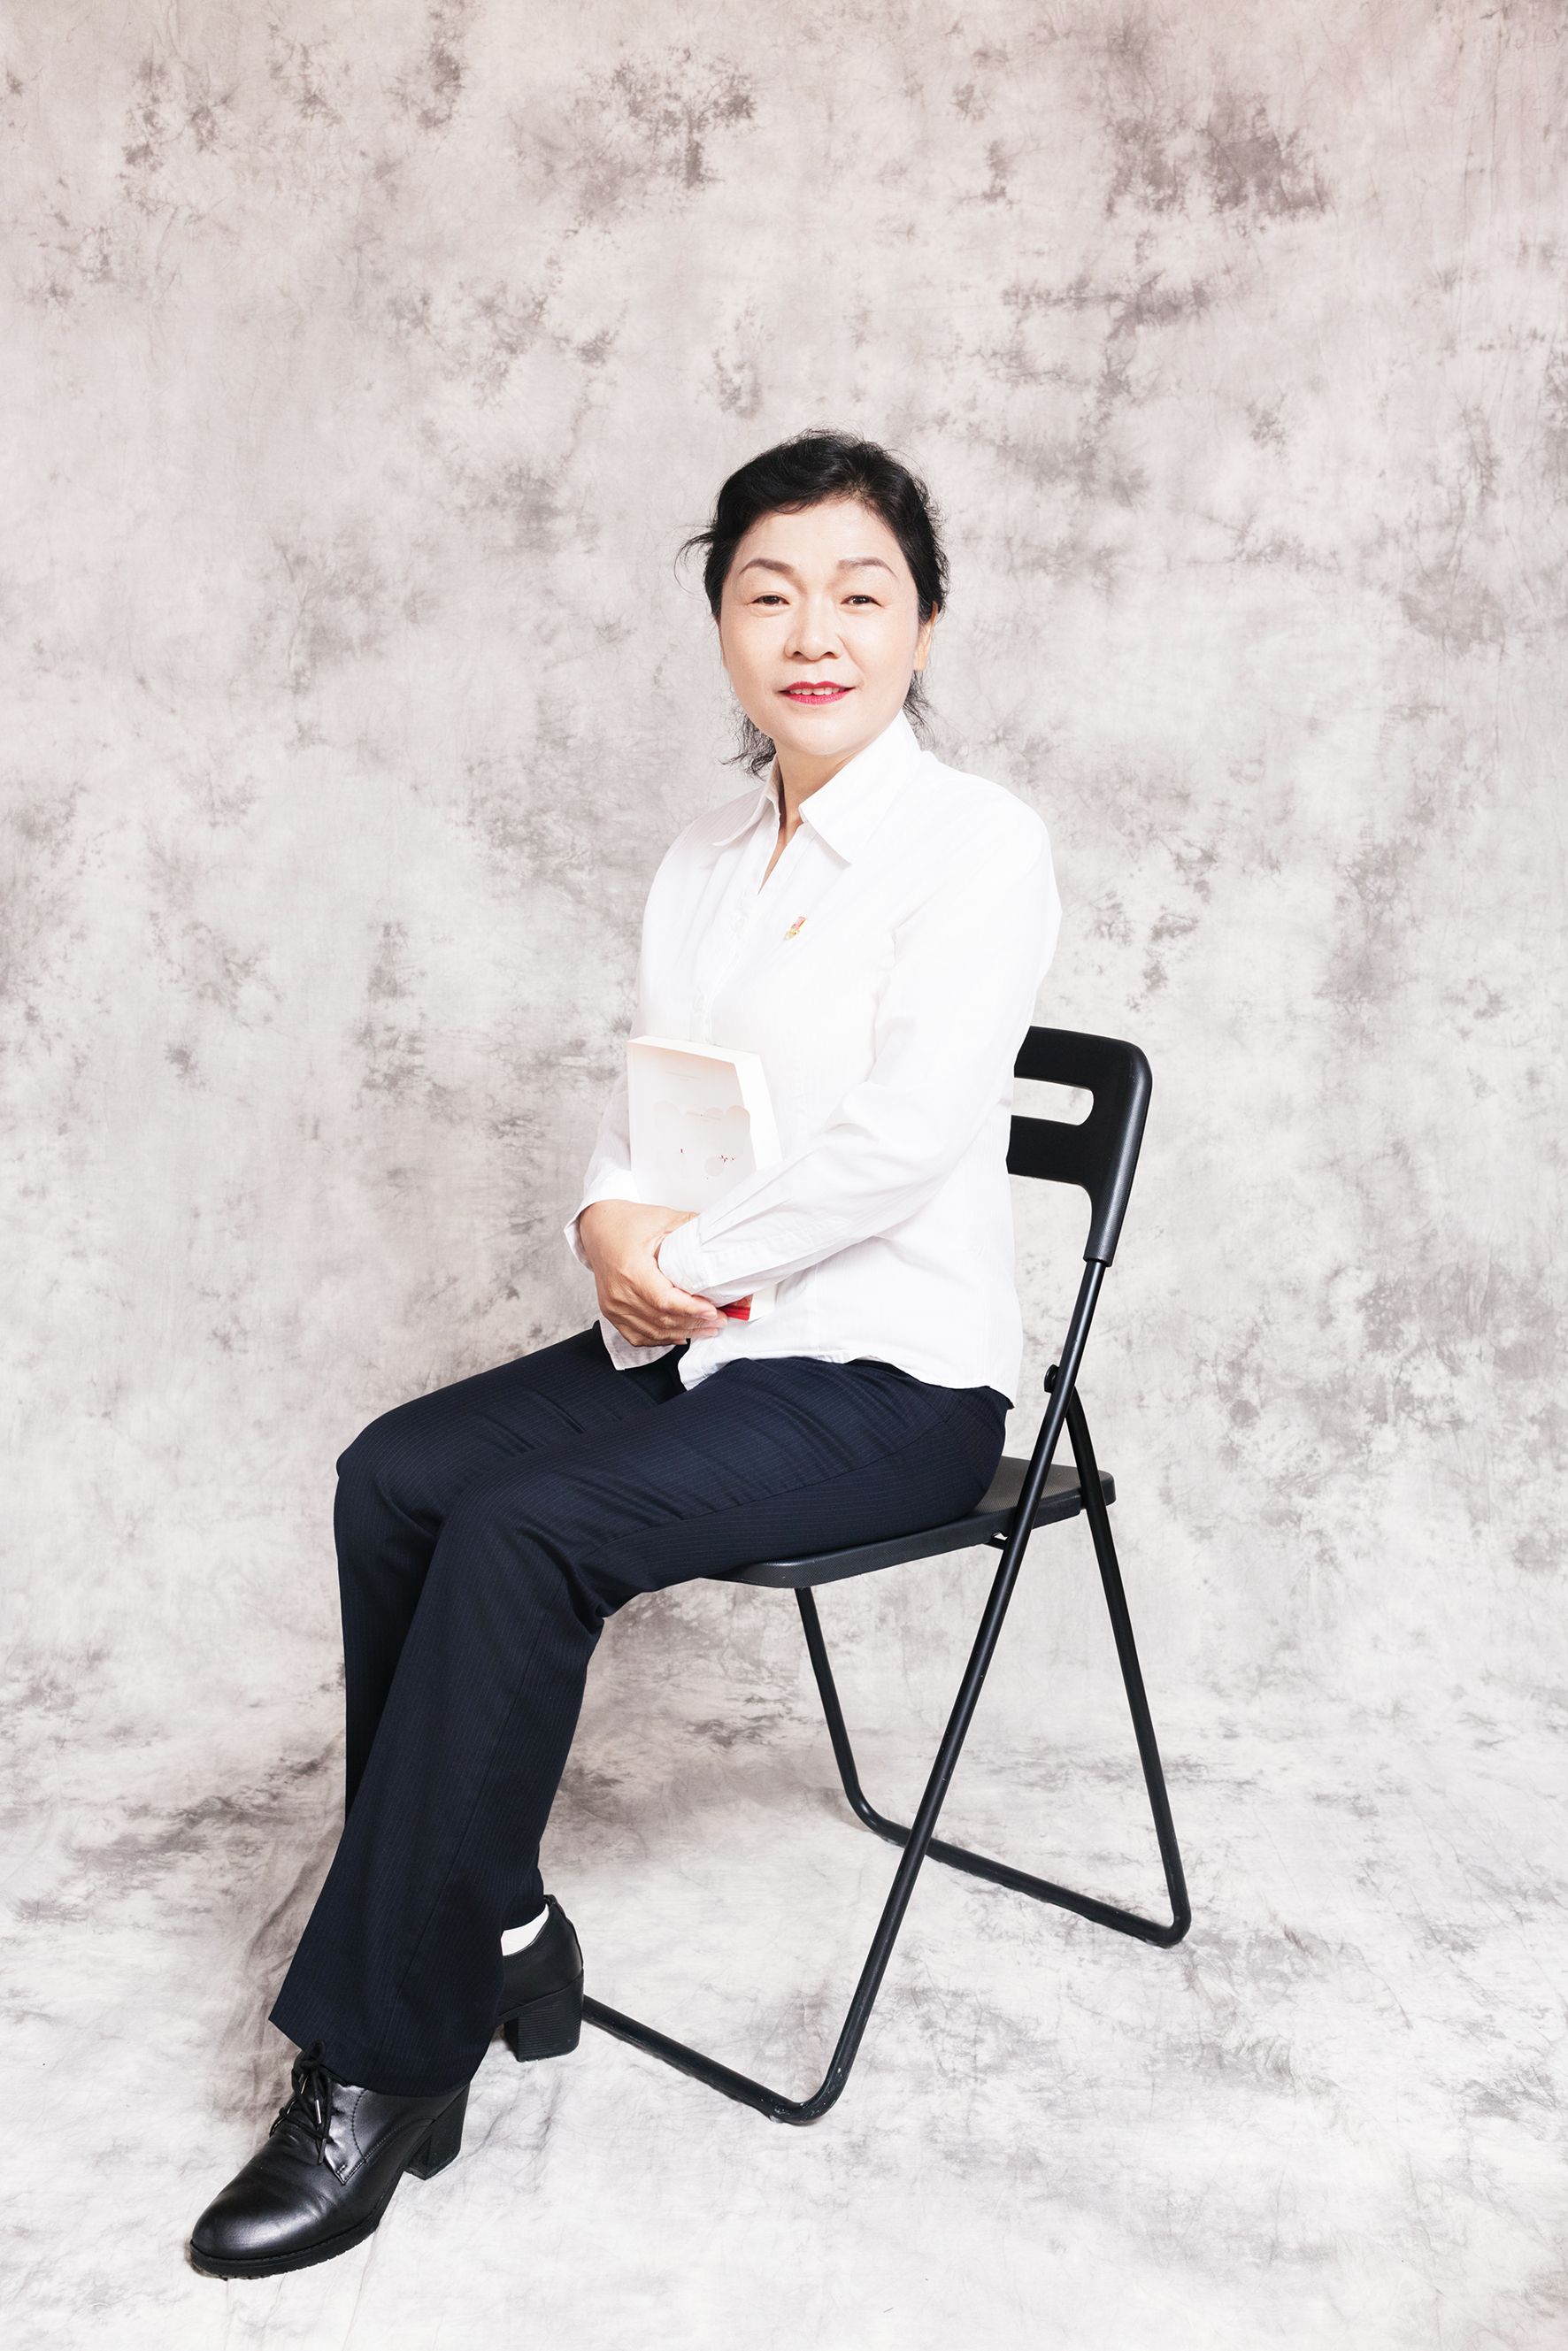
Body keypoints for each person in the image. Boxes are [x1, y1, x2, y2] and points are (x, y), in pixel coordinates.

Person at [188, 429, 1063, 2278]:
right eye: (769, 593)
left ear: (923, 624)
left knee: (526, 1530)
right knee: (397, 1480)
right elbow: (652, 1112)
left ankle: (381, 2060)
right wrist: (610, 1230)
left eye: (860, 594)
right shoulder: (702, 863)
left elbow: (907, 1139)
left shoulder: (976, 847)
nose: (813, 632)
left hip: (890, 1380)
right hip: (706, 1338)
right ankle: (499, 1928)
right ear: (720, 624)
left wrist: (697, 1265)